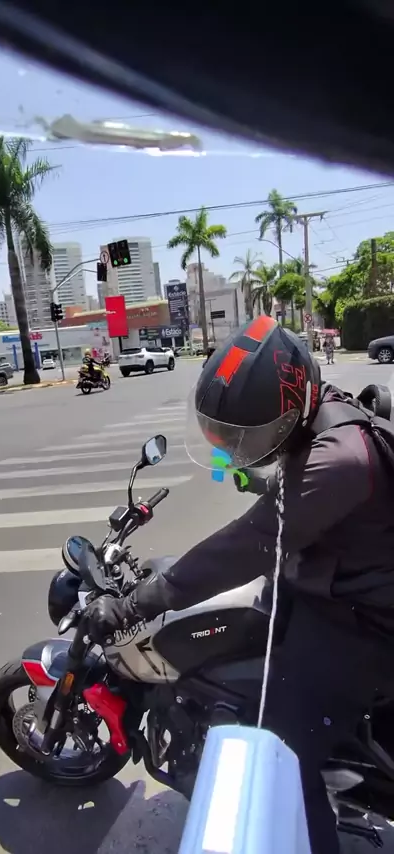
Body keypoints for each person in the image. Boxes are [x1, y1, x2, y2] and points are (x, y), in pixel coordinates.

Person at [85, 315, 394, 854]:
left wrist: (136, 603)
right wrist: (265, 479)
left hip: (363, 624)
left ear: (292, 406)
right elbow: (298, 494)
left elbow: (246, 545)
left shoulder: (340, 460)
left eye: (248, 435)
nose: (236, 445)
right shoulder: (323, 414)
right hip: (330, 587)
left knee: (280, 759)